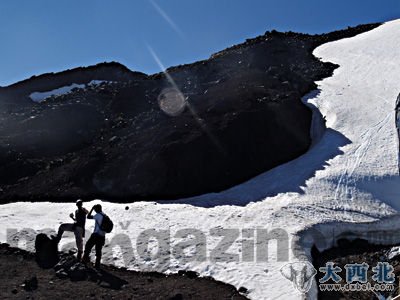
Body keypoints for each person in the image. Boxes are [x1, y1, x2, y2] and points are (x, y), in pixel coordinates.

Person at [82, 204, 106, 269]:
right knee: (98, 250)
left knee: (88, 246)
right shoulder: (104, 215)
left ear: (96, 209)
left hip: (96, 235)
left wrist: (91, 209)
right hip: (102, 236)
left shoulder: (97, 215)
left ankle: (85, 260)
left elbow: (88, 216)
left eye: (95, 209)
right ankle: (97, 265)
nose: (94, 210)